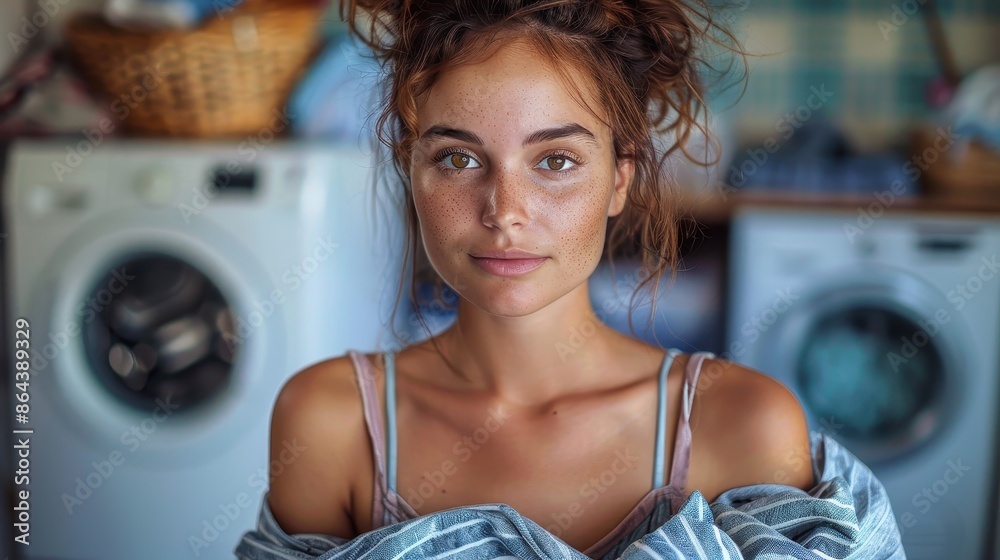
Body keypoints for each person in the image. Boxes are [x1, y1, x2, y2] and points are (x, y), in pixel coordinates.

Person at [265, 1, 814, 556]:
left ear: (619, 178)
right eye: (458, 159)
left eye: (555, 161)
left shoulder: (746, 426)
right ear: (412, 170)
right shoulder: (331, 422)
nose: (505, 211)